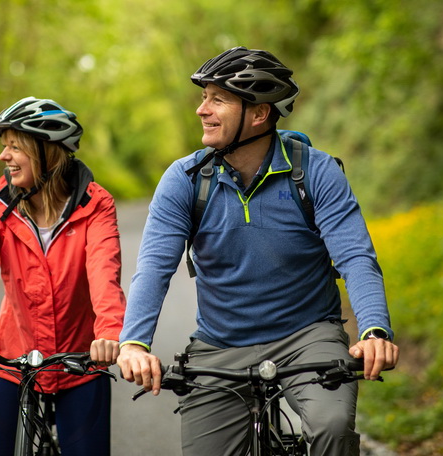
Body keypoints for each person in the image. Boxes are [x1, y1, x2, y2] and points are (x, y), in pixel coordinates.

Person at [117, 47, 399, 455]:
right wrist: (134, 343)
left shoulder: (316, 172)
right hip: (220, 343)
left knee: (332, 426)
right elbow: (154, 268)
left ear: (258, 114)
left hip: (308, 334)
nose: (202, 110)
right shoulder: (185, 180)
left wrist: (374, 330)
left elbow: (356, 256)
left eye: (218, 99)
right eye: (203, 97)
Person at [0, 97, 126, 456]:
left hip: (81, 360)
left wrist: (109, 332)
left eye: (15, 147)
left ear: (48, 153)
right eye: (4, 146)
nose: (4, 156)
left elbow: (104, 273)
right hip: (11, 358)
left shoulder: (95, 204)